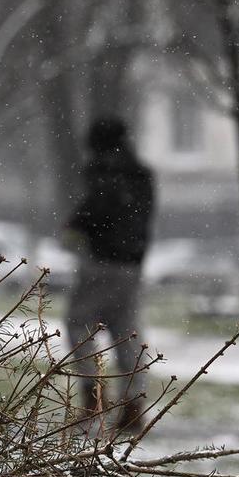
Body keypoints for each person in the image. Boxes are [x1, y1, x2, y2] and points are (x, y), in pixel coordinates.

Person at [64, 117, 156, 434]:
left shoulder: (104, 172)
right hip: (132, 264)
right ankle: (133, 405)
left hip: (102, 260)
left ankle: (93, 398)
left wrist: (75, 225)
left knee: (79, 323)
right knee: (126, 330)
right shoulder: (141, 174)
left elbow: (97, 209)